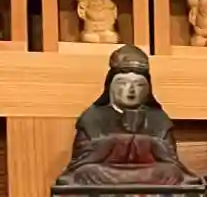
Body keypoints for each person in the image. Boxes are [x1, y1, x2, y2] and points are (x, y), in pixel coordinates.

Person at [55, 45, 198, 189]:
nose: (131, 90)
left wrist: (145, 144)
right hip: (107, 171)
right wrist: (117, 143)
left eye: (139, 85)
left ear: (148, 89)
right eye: (123, 84)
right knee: (86, 172)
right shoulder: (92, 117)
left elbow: (170, 158)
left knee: (171, 172)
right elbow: (81, 158)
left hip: (147, 171)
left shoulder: (159, 118)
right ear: (110, 87)